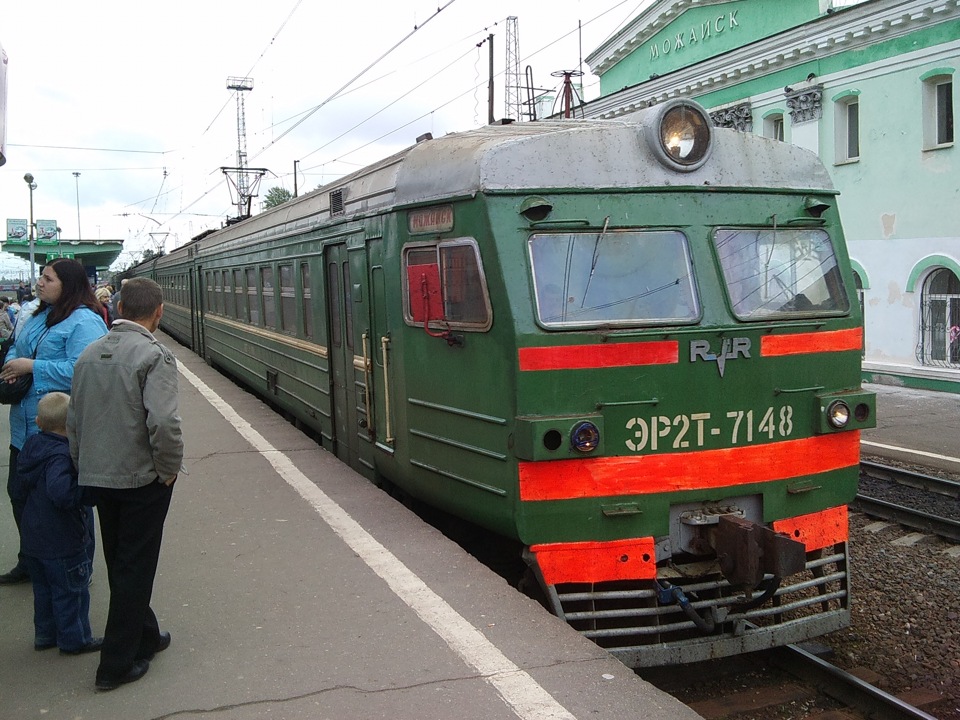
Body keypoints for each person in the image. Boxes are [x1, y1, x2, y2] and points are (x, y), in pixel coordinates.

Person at [67, 277, 183, 691]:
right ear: (158, 312)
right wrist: (168, 469)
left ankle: (145, 636)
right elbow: (165, 423)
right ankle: (115, 665)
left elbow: (73, 419)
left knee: (121, 559)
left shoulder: (89, 354)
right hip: (140, 478)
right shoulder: (154, 356)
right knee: (136, 565)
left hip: (99, 474)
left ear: (117, 307)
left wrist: (83, 465)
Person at [0, 260, 108, 585]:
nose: (39, 283)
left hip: (62, 433)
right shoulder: (39, 317)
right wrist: (11, 367)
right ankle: (31, 562)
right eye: (41, 277)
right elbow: (15, 350)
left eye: (48, 278)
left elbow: (84, 368)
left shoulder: (85, 322)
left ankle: (78, 569)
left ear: (68, 284)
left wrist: (31, 366)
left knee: (65, 503)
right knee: (21, 495)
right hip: (26, 430)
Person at [11, 392, 101, 654]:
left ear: (38, 422)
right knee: (71, 593)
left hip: (34, 539)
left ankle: (45, 636)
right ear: (72, 422)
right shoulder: (61, 456)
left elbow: (19, 488)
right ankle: (75, 640)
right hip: (62, 540)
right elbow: (62, 493)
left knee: (44, 591)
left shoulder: (30, 447)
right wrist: (86, 491)